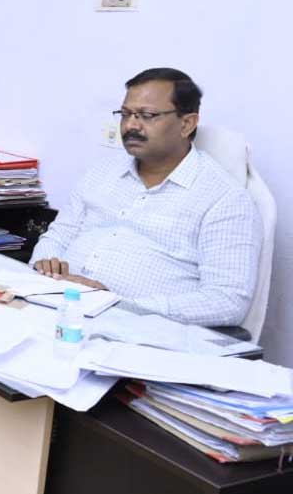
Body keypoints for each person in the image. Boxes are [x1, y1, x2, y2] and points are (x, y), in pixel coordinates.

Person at [30, 68, 261, 327]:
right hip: (55, 307)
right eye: (125, 114)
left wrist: (116, 304)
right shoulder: (102, 171)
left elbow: (227, 301)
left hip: (136, 330)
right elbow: (57, 236)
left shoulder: (224, 199)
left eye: (147, 116)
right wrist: (45, 269)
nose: (131, 126)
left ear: (187, 124)